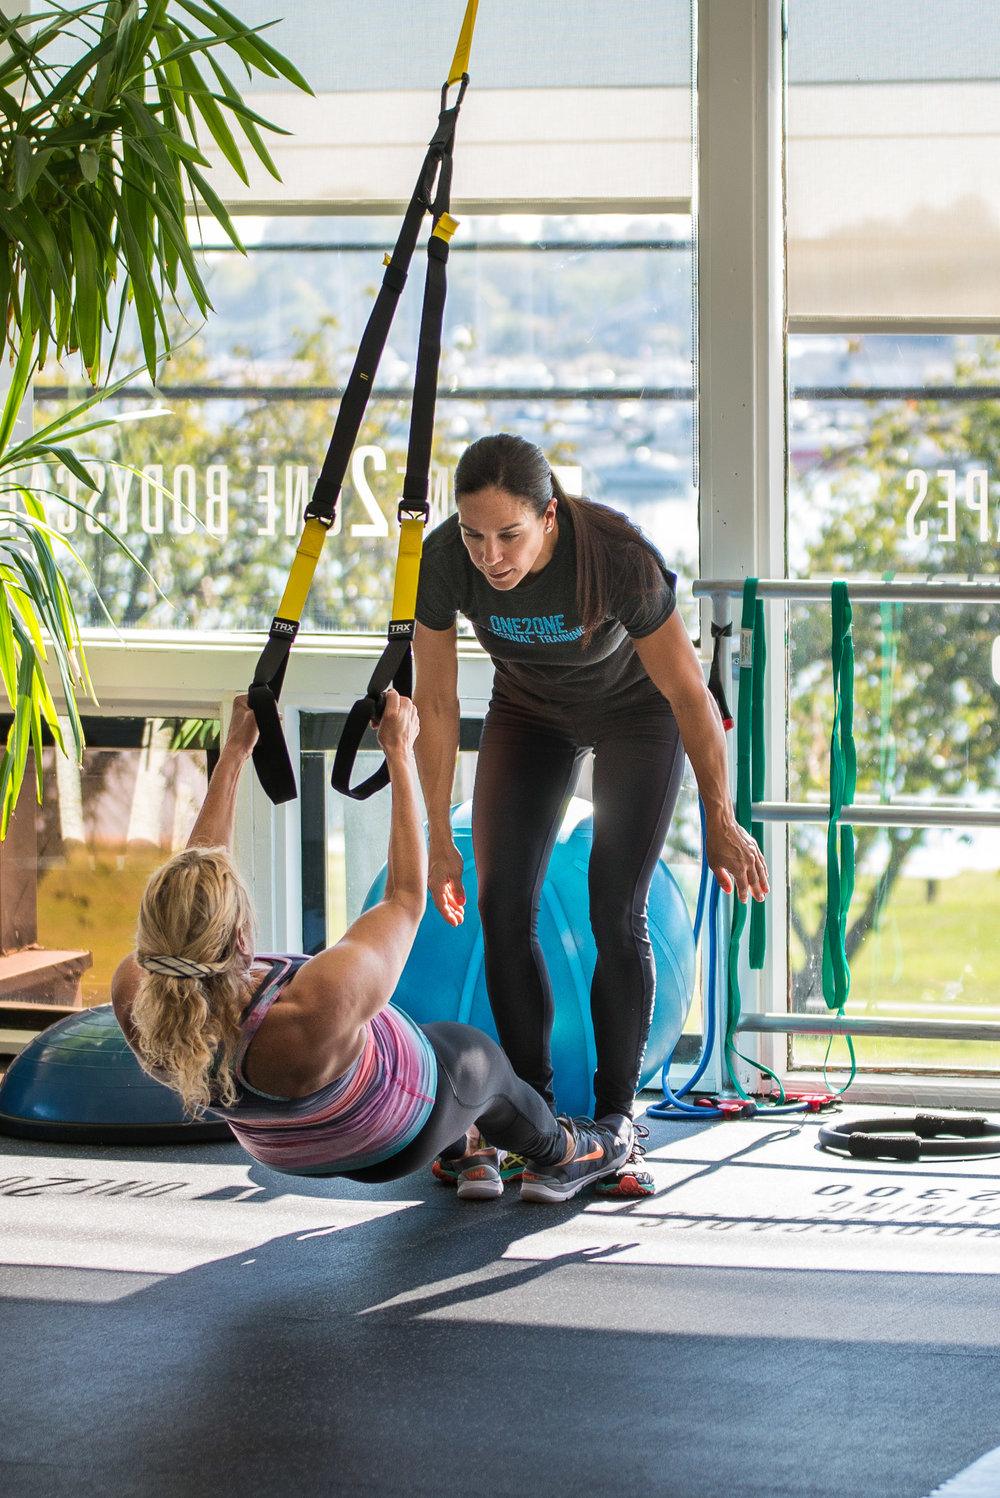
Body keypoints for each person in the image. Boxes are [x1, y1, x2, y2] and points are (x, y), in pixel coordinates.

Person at [413, 433, 769, 1197]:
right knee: (501, 905)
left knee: (615, 910)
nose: (489, 555)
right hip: (528, 712)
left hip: (636, 714)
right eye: (474, 534)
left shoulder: (614, 558)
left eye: (508, 534)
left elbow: (688, 695)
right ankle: (531, 1121)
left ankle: (615, 1123)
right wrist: (438, 833)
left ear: (549, 517)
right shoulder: (444, 562)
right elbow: (437, 703)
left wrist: (720, 815)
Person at [111, 692, 629, 1204]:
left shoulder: (138, 992)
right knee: (476, 1057)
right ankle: (562, 1155)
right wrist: (400, 752)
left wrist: (235, 753)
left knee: (421, 1041)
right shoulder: (312, 1004)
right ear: (241, 937)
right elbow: (405, 899)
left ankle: (467, 1148)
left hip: (279, 1154)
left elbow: (195, 889)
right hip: (391, 1146)